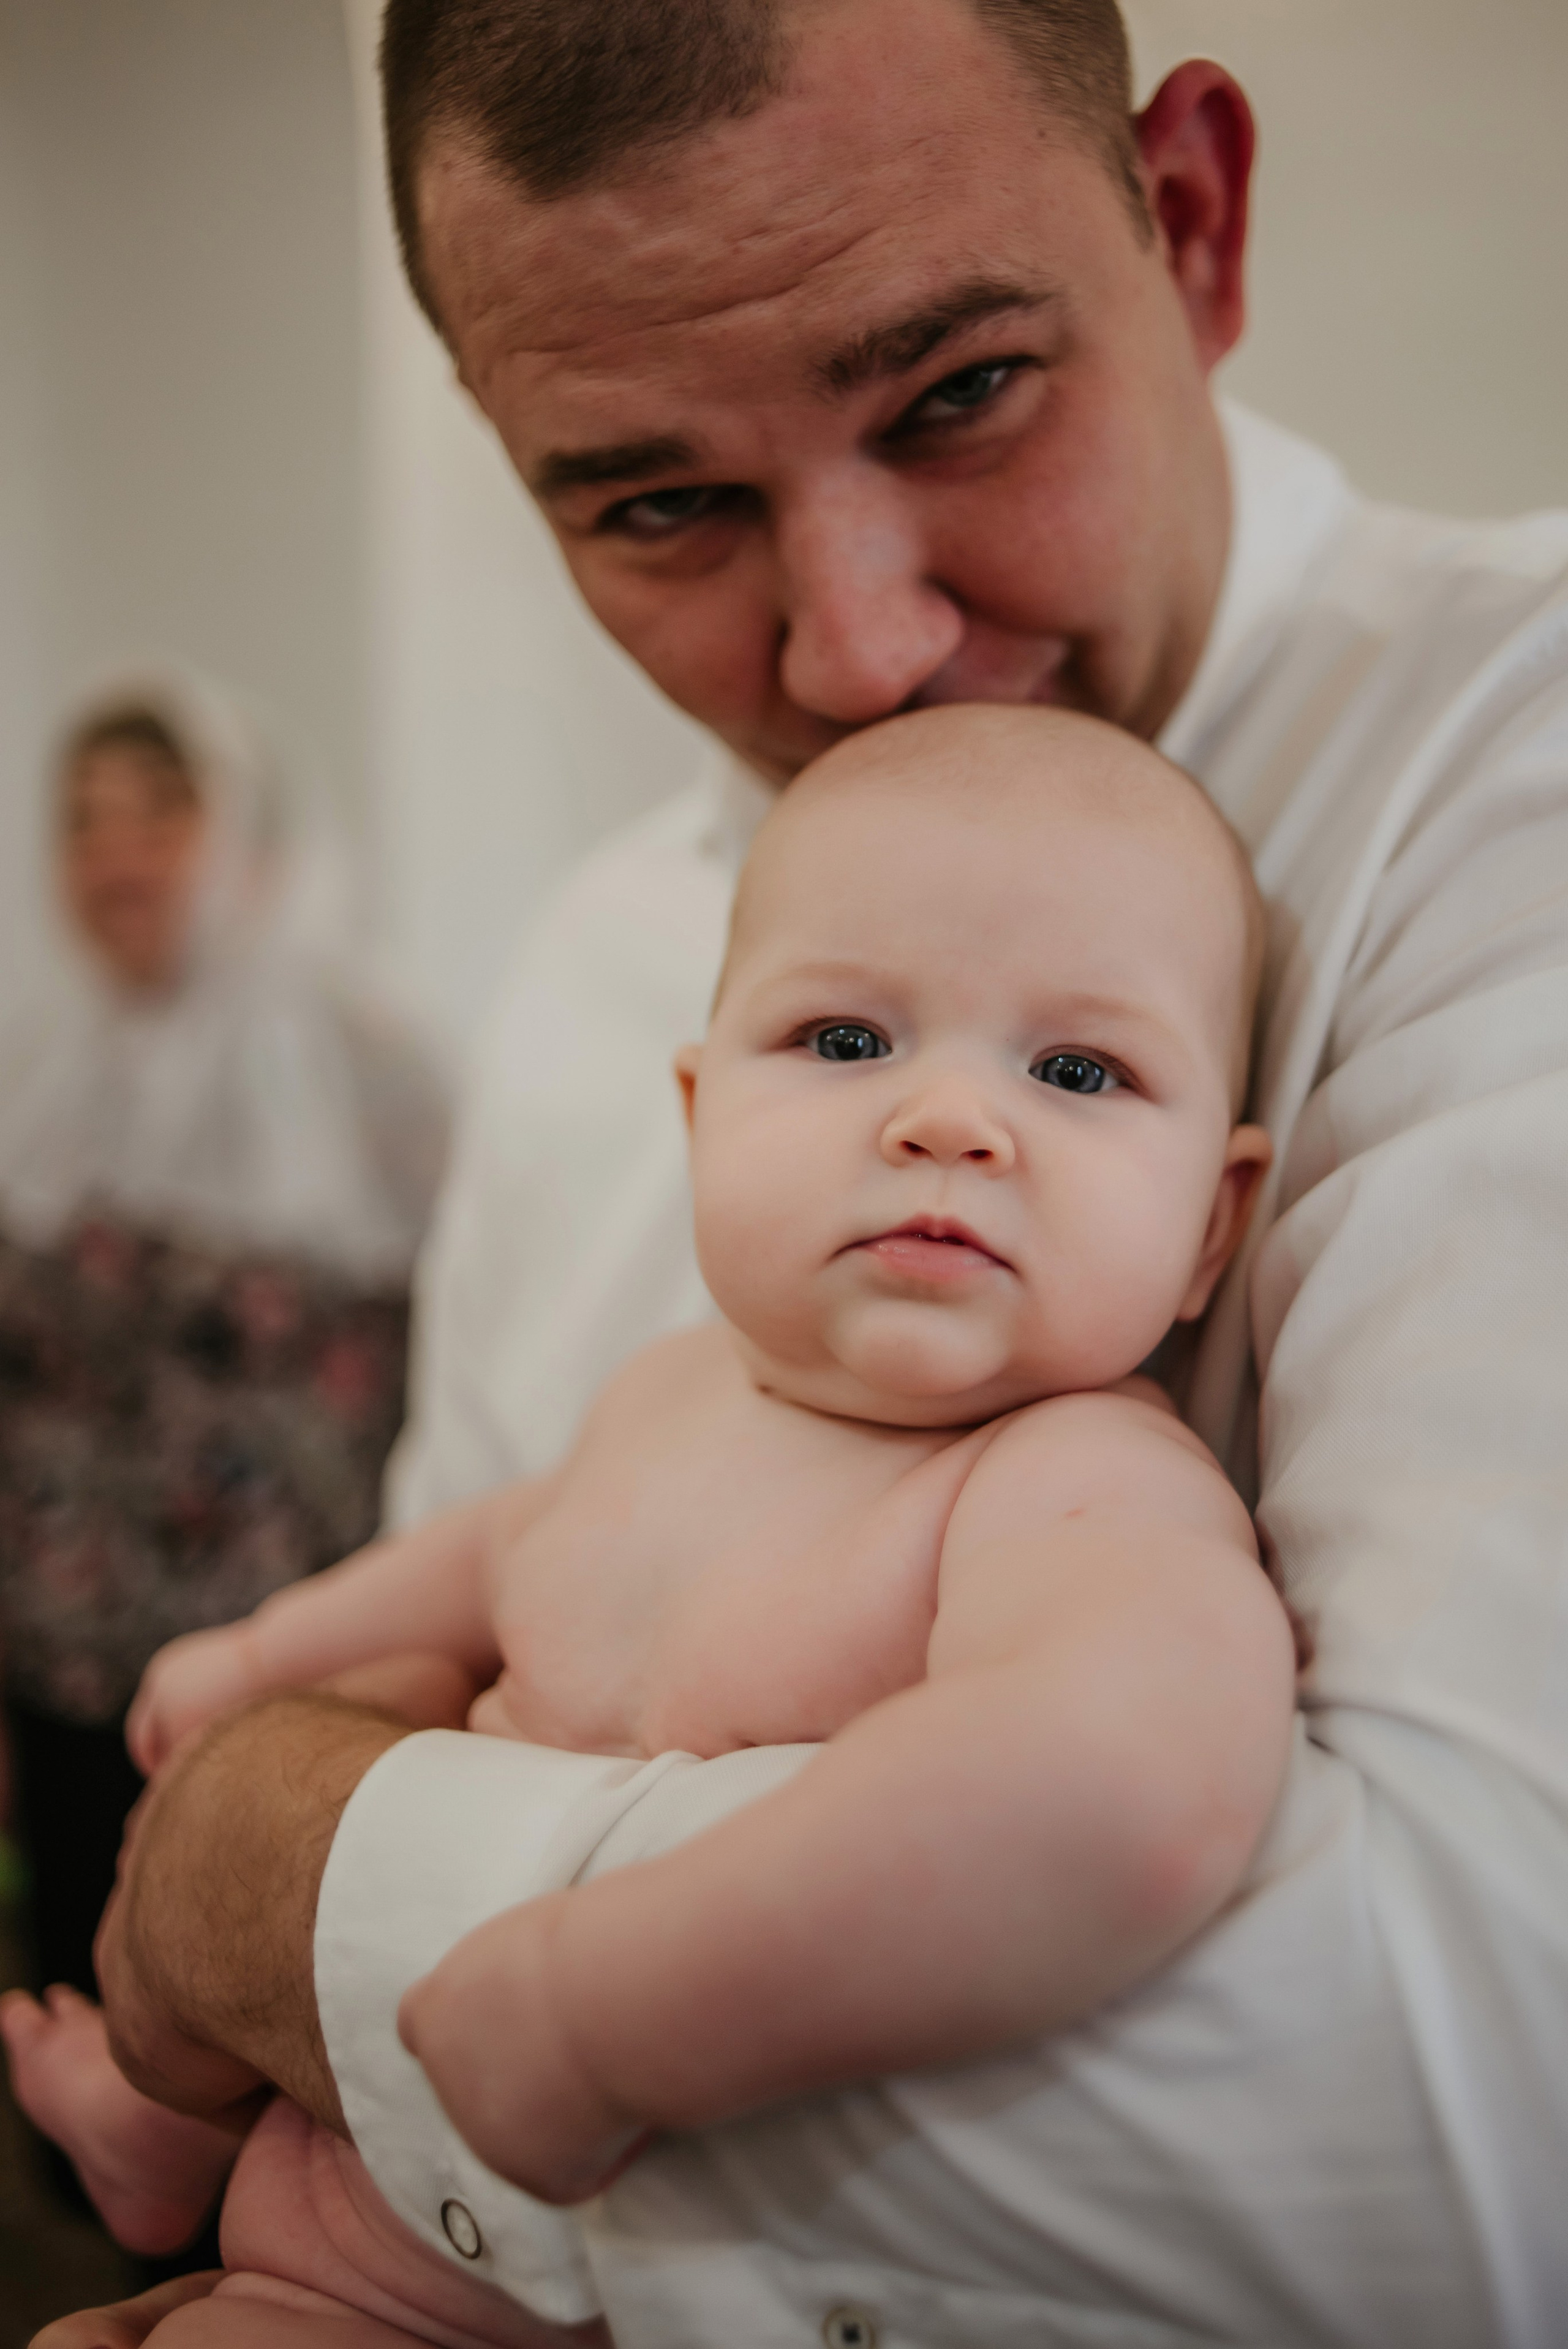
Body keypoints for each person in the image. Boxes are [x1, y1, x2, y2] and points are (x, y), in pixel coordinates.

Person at [57, 2, 1568, 2342]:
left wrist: (305, 1880)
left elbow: (1471, 2131)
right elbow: (466, 1607)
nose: (864, 652)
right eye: (659, 502)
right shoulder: (600, 986)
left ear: (1189, 224)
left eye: (960, 393)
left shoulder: (1522, 770)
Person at [11, 705, 1294, 2342]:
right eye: (845, 1041)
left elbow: (1127, 1785)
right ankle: (161, 2119)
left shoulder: (1065, 1481)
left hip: (507, 2286)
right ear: (694, 1117)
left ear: (1212, 1227)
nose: (947, 1121)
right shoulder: (677, 1389)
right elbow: (503, 1549)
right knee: (399, 1670)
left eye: (1076, 1068)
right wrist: (275, 1645)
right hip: (327, 2187)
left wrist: (615, 2010)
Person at [0, 671, 448, 2249]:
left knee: (253, 2004)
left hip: (283, 1648)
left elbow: (457, 1332)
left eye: (159, 814)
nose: (118, 859)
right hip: (62, 1638)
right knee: (83, 1974)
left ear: (250, 835)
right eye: (81, 825)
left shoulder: (368, 1054)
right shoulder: (44, 1064)